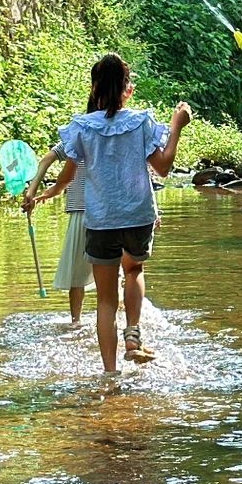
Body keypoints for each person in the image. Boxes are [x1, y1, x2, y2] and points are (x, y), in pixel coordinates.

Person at [58, 56, 191, 375]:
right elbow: (162, 168)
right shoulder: (141, 122)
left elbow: (68, 169)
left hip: (101, 219)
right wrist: (176, 126)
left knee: (105, 300)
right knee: (133, 271)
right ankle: (133, 334)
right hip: (137, 216)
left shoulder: (82, 127)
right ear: (126, 90)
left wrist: (43, 191)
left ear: (94, 88)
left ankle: (110, 373)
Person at [23, 142, 94, 326]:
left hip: (81, 212)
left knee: (77, 277)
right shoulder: (117, 131)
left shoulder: (78, 133)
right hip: (111, 212)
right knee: (113, 274)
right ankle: (116, 322)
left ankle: (75, 322)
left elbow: (49, 160)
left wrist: (34, 191)